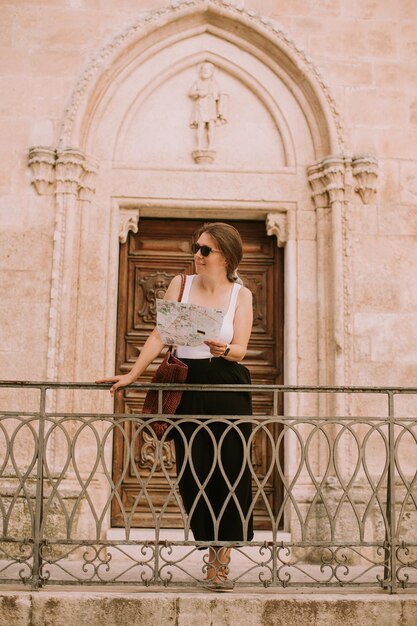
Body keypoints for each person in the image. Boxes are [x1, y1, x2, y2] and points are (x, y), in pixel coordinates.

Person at [96, 222, 254, 587]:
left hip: (227, 384)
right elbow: (160, 334)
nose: (196, 255)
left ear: (226, 256)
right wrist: (133, 374)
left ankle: (221, 562)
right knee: (194, 471)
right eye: (196, 247)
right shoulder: (180, 285)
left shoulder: (239, 296)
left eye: (205, 250)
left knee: (230, 469)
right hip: (187, 382)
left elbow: (242, 348)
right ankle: (208, 545)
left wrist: (224, 349)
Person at [189, 62, 226, 151]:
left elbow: (218, 95)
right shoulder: (197, 82)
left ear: (212, 72)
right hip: (201, 105)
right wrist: (198, 93)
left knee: (211, 125)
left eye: (207, 69)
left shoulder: (214, 83)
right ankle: (199, 145)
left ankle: (211, 146)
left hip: (211, 106)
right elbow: (190, 92)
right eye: (203, 69)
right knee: (200, 125)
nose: (205, 71)